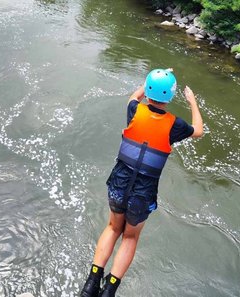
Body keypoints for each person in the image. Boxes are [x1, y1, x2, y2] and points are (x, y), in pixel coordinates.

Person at [80, 69, 204, 297]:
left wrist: (151, 80)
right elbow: (198, 131)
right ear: (171, 96)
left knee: (112, 227)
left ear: (147, 91)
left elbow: (133, 97)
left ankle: (91, 284)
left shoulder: (134, 110)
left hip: (119, 182)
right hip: (142, 192)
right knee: (130, 236)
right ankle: (109, 291)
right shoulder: (175, 125)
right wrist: (192, 101)